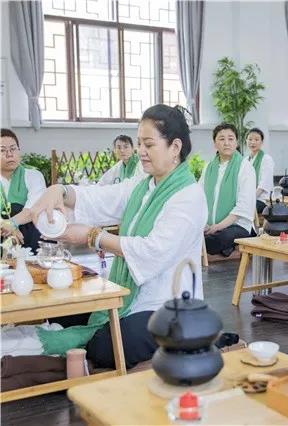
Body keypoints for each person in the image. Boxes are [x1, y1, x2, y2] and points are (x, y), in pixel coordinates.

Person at [29, 105, 207, 369]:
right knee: (66, 312)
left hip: (169, 305)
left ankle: (63, 350)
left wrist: (93, 236)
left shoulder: (189, 196)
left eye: (149, 144)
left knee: (105, 345)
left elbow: (152, 251)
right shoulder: (144, 185)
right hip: (131, 296)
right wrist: (60, 190)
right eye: (138, 143)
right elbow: (103, 197)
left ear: (175, 147)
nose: (140, 152)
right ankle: (66, 345)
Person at [201, 124, 256, 257]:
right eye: (221, 139)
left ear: (236, 142)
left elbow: (243, 206)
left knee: (218, 239)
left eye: (231, 139)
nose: (226, 143)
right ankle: (225, 246)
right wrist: (204, 224)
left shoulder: (245, 167)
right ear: (215, 143)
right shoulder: (209, 167)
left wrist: (218, 226)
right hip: (210, 225)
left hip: (237, 225)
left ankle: (225, 244)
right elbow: (199, 198)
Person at [0, 128, 46, 253]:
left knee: (17, 209)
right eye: (2, 150)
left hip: (29, 237)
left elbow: (33, 209)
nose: (9, 154)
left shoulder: (33, 176)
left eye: (13, 149)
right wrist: (10, 227)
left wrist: (12, 224)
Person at [245, 128, 274, 216]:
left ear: (262, 142)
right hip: (248, 198)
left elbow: (263, 185)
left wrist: (249, 199)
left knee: (240, 210)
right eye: (250, 139)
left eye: (256, 139)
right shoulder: (246, 160)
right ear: (246, 141)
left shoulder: (266, 159)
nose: (252, 142)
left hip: (262, 200)